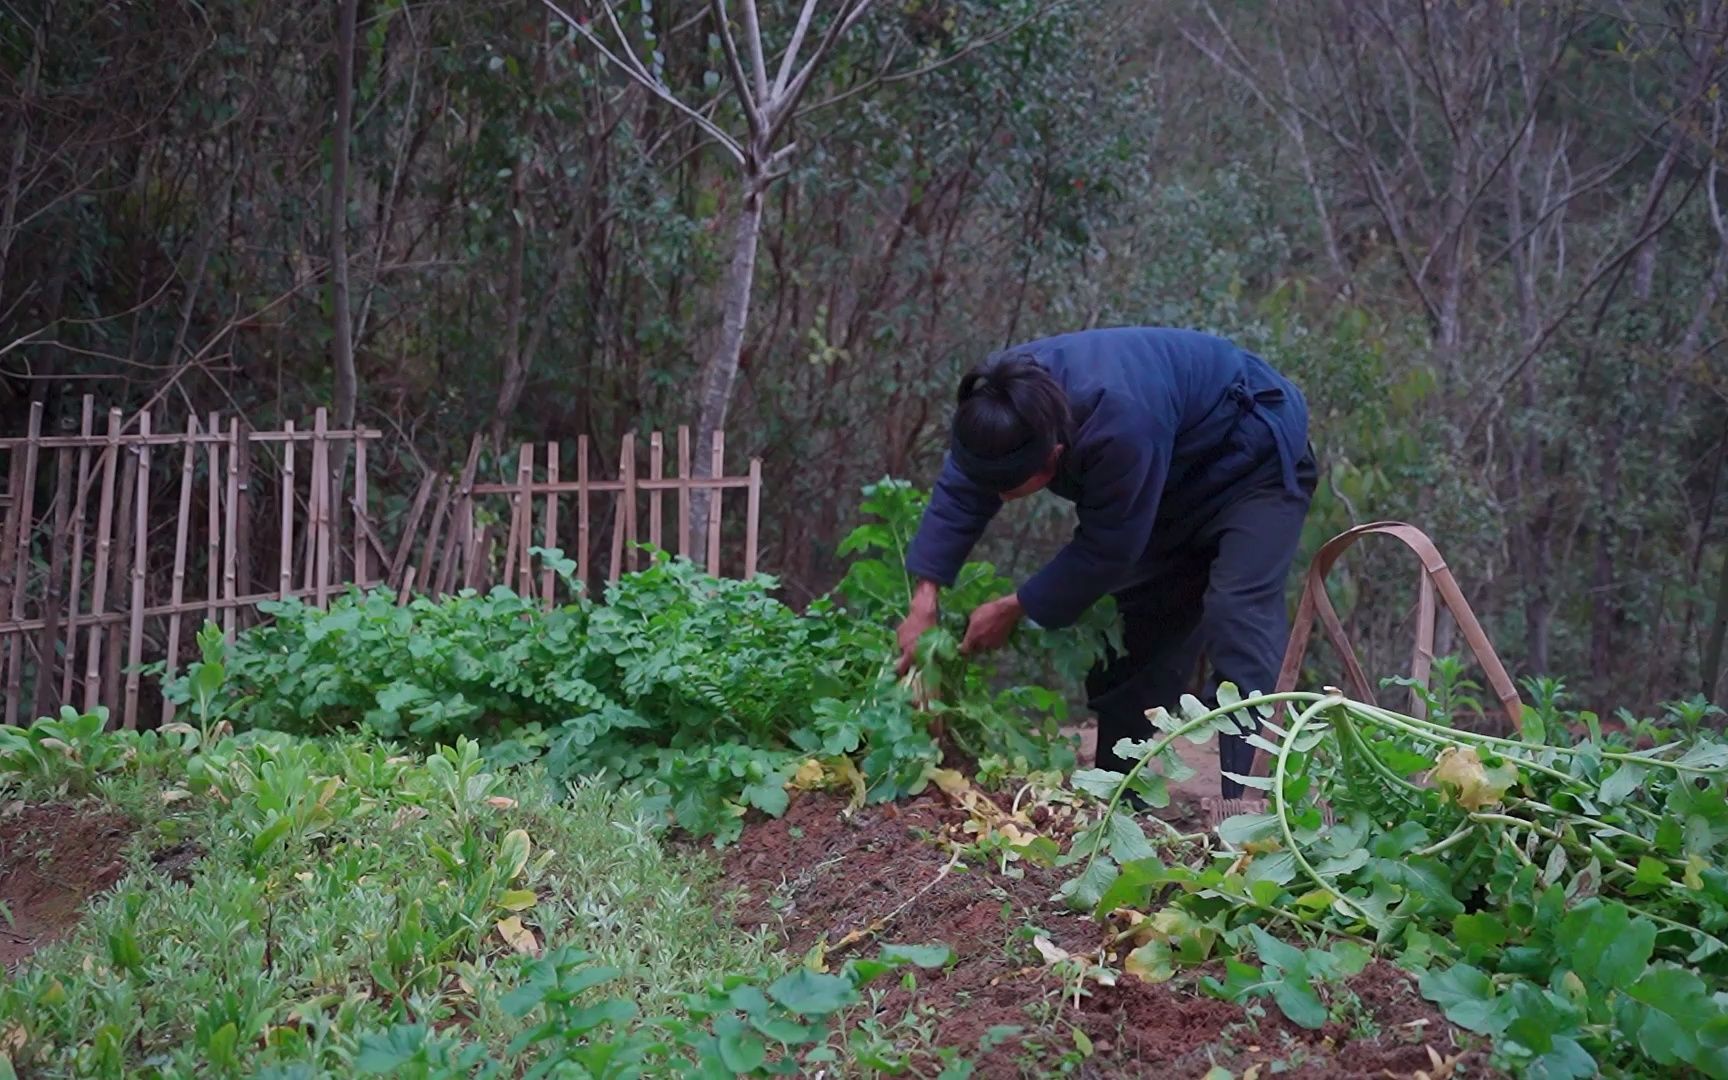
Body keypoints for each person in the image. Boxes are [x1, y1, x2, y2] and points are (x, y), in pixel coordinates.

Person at [895, 326, 1317, 797]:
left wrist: (1015, 606)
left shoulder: (1119, 422)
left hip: (1254, 459)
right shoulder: (1000, 406)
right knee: (1137, 633)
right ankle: (1117, 795)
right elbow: (963, 484)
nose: (995, 497)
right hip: (1170, 475)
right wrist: (925, 598)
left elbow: (1109, 548)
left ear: (1052, 459)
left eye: (1007, 491)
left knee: (1238, 616)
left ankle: (1258, 807)